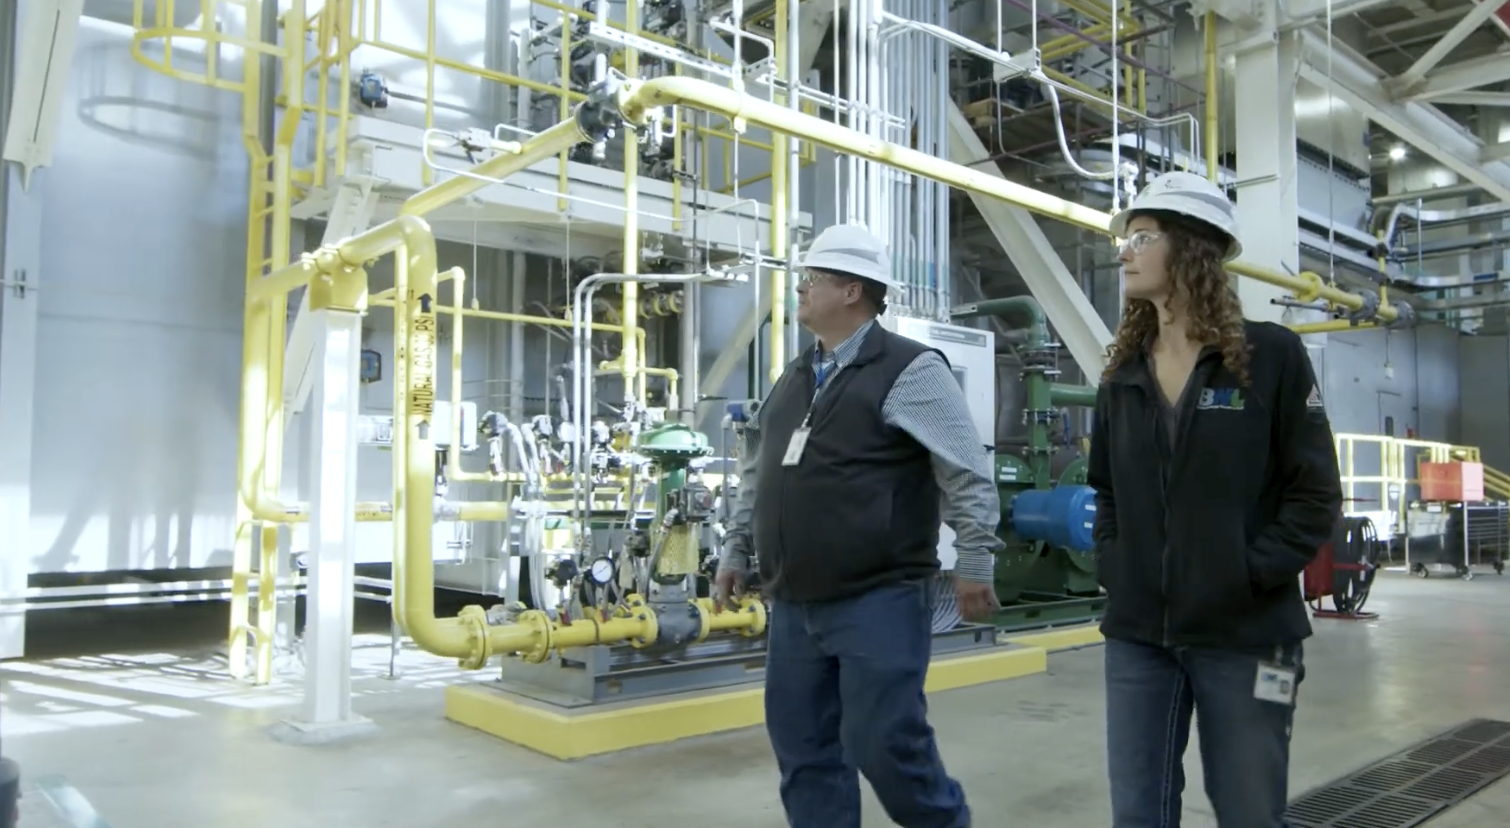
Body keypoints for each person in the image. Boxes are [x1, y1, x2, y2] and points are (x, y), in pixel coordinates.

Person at [713, 223, 1002, 828]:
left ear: (851, 291)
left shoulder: (910, 369)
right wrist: (736, 548)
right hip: (793, 602)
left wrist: (976, 559)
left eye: (811, 279)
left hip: (878, 597)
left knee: (885, 745)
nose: (800, 289)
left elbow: (966, 470)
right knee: (804, 751)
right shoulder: (794, 377)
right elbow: (757, 473)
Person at [1087, 171, 1344, 828]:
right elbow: (1106, 492)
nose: (1125, 251)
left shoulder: (1270, 357)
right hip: (1140, 635)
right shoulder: (1122, 375)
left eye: (1141, 237)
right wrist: (1120, 569)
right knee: (1137, 815)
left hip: (1245, 634)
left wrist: (1245, 572)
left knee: (1250, 812)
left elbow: (1315, 493)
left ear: (1192, 248)